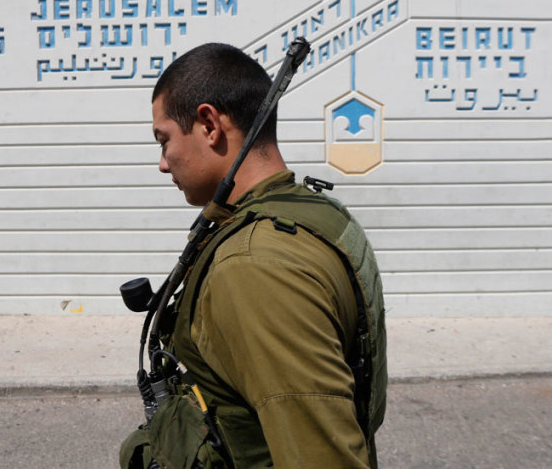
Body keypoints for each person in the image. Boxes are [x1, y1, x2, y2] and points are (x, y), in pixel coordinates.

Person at [120, 42, 386, 469]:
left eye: (163, 139)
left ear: (209, 124)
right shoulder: (315, 214)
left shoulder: (256, 265)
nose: (163, 164)